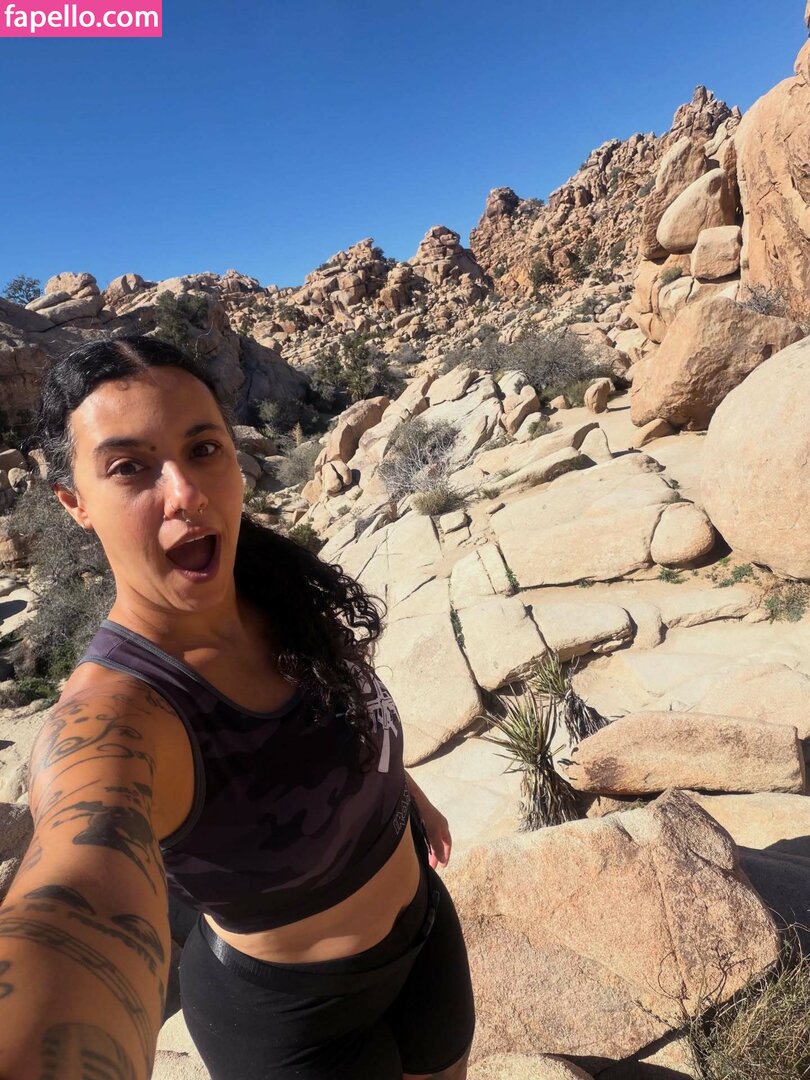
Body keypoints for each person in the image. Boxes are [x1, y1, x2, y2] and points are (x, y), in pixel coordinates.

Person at [0, 334, 475, 1080]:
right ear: (74, 503)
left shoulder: (268, 585)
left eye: (202, 450)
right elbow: (76, 888)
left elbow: (333, 716)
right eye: (129, 468)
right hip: (293, 1028)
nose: (186, 493)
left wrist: (400, 791)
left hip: (425, 934)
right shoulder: (118, 713)